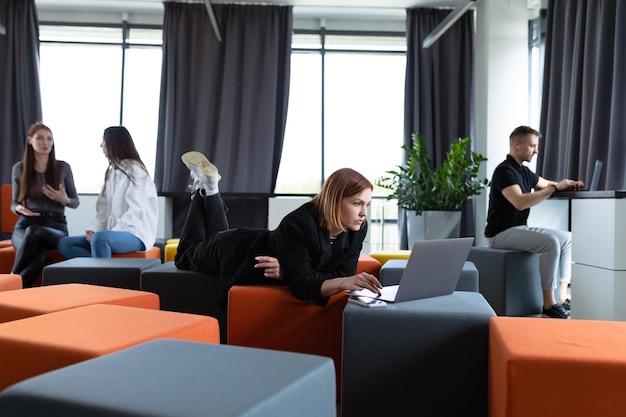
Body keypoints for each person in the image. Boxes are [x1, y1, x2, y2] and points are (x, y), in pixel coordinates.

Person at [174, 151, 382, 308]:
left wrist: (290, 272)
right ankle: (205, 188)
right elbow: (304, 285)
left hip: (252, 239)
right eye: (357, 203)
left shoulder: (357, 228)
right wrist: (298, 275)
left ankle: (209, 186)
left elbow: (337, 274)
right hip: (236, 251)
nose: (364, 212)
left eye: (367, 204)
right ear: (336, 201)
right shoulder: (300, 223)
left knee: (215, 234)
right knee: (184, 255)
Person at [485, 125, 584, 319]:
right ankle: (549, 303)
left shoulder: (523, 171)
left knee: (567, 238)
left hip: (518, 229)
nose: (536, 150)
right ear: (517, 146)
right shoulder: (505, 171)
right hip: (499, 234)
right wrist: (555, 188)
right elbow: (520, 202)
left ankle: (561, 298)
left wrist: (566, 184)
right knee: (550, 243)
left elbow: (546, 184)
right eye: (532, 146)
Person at [57, 126, 158, 258]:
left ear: (113, 144)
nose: (101, 145)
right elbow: (103, 210)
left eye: (104, 141)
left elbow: (136, 212)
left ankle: (102, 278)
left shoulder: (136, 171)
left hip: (136, 234)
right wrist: (94, 229)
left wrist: (110, 233)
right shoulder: (112, 173)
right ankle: (97, 270)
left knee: (101, 239)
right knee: (65, 243)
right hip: (112, 233)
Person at [10, 122, 80, 287]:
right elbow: (14, 202)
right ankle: (13, 294)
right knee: (41, 256)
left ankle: (11, 278)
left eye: (49, 138)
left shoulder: (63, 168)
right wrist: (19, 208)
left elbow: (75, 202)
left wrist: (64, 200)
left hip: (55, 227)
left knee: (34, 232)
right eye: (40, 138)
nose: (45, 142)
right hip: (25, 224)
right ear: (29, 140)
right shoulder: (19, 168)